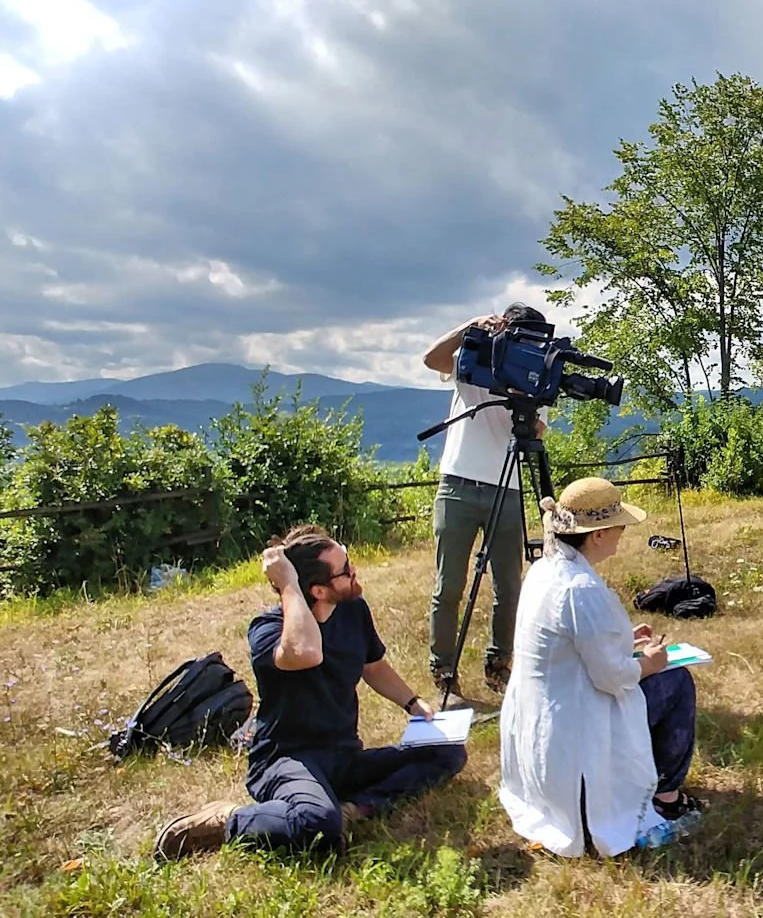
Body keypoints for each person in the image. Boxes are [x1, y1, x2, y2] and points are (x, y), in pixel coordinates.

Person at [153, 526, 467, 859]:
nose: (354, 572)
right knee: (317, 827)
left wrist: (414, 703)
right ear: (317, 590)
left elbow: (372, 666)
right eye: (345, 570)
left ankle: (356, 809)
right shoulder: (268, 631)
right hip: (285, 760)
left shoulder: (353, 610)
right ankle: (227, 819)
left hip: (343, 755)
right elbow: (306, 652)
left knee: (447, 753)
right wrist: (288, 584)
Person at [498, 477, 702, 857]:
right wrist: (651, 662)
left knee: (665, 675)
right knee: (676, 680)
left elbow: (572, 648)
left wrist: (625, 640)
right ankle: (665, 797)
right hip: (573, 743)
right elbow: (612, 677)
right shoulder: (579, 588)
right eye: (619, 527)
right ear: (597, 535)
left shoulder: (544, 571)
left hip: (540, 736)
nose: (623, 534)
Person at [421, 303, 550, 706]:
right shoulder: (475, 356)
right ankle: (443, 668)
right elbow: (432, 359)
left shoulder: (536, 374)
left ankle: (499, 662)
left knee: (509, 585)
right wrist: (470, 326)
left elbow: (538, 429)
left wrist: (522, 399)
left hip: (506, 487)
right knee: (450, 585)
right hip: (458, 483)